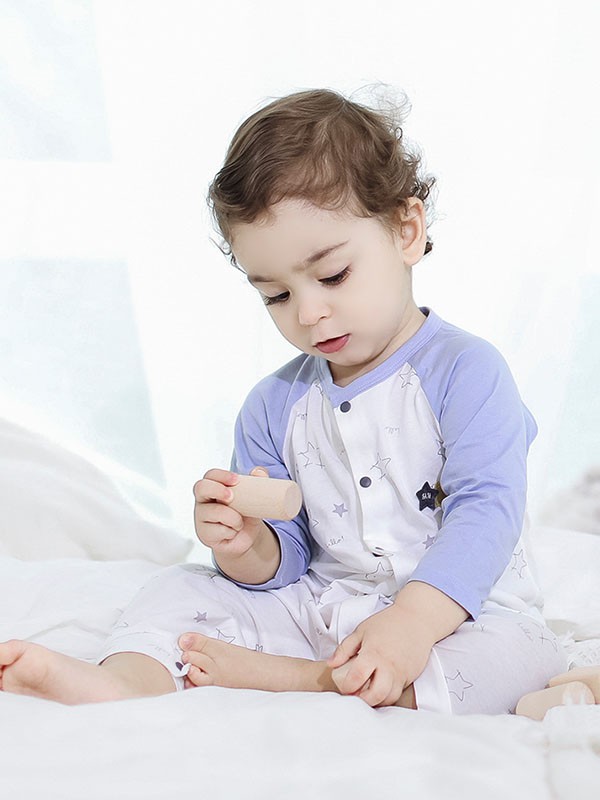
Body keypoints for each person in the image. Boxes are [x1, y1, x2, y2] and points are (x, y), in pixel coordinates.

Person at [0, 88, 568, 713]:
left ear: (406, 231)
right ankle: (126, 683)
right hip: (324, 605)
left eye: (332, 275)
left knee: (520, 659)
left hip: (459, 615)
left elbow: (488, 511)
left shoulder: (467, 371)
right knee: (179, 589)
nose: (308, 312)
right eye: (275, 295)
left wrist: (411, 622)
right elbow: (287, 560)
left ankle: (306, 680)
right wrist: (244, 545)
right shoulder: (274, 404)